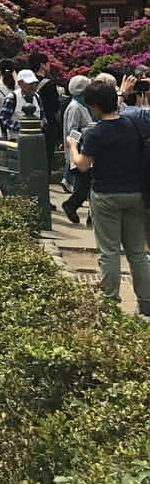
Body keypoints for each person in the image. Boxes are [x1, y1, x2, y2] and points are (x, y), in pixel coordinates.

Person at [67, 80, 150, 315]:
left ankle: (109, 304)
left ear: (93, 107)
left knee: (110, 251)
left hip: (105, 195)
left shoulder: (96, 133)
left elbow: (82, 166)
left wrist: (73, 146)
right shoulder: (133, 124)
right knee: (137, 252)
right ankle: (146, 304)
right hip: (135, 193)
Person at [61, 74, 94, 225]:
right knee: (82, 188)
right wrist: (88, 131)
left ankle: (86, 213)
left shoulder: (82, 106)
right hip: (79, 153)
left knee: (86, 186)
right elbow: (72, 131)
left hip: (83, 152)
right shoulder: (75, 107)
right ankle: (70, 206)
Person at [26, 51, 62, 159]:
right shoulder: (48, 84)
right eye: (48, 63)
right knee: (46, 158)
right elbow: (55, 106)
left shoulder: (25, 83)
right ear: (42, 65)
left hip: (29, 124)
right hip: (47, 124)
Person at [0, 69, 44, 139]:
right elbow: (3, 119)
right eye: (30, 84)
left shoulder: (37, 97)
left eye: (34, 84)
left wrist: (42, 122)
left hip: (36, 138)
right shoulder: (12, 98)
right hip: (16, 140)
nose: (33, 87)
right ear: (20, 83)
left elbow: (42, 115)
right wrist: (22, 126)